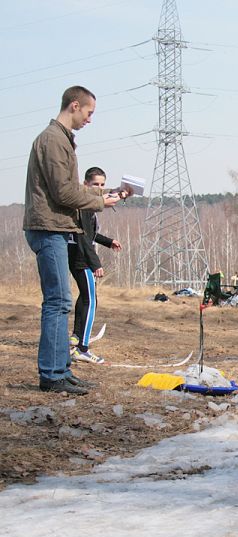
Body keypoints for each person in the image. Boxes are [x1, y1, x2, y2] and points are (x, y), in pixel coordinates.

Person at [23, 86, 129, 394]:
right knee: (58, 301)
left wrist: (106, 193)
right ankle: (51, 374)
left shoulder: (60, 139)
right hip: (48, 228)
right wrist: (100, 201)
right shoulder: (53, 140)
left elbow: (70, 188)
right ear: (74, 105)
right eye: (89, 112)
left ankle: (61, 370)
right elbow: (63, 193)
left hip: (55, 227)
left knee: (61, 301)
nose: (90, 119)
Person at [68, 167, 122, 364]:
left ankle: (76, 336)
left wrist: (108, 241)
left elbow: (90, 234)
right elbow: (82, 237)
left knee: (85, 296)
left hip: (80, 255)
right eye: (95, 184)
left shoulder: (88, 207)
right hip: (80, 257)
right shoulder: (83, 206)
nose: (99, 188)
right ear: (85, 185)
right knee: (91, 301)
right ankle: (82, 349)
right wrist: (95, 263)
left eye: (102, 184)